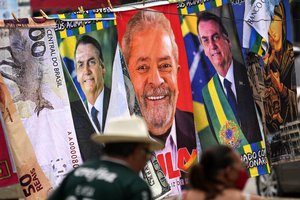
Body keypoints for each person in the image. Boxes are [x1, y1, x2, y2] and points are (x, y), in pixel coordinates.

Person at [121, 10, 197, 195]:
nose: (156, 80)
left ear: (177, 73)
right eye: (143, 67)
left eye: (165, 66)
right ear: (126, 80)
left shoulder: (203, 131)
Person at [47, 116, 164, 200]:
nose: (148, 158)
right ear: (136, 151)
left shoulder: (78, 172)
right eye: (147, 151)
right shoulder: (133, 185)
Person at [197, 11, 262, 148]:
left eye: (215, 37)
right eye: (206, 40)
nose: (212, 46)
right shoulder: (208, 94)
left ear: (228, 41)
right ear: (203, 48)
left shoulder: (250, 74)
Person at [262, 1, 297, 133]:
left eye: (272, 21)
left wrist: (281, 89)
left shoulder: (294, 56)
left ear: (282, 21)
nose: (270, 31)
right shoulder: (265, 62)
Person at [180, 145, 262, 200]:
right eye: (242, 165)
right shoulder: (240, 198)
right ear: (229, 171)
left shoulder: (181, 197)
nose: (244, 171)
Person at [75, 35, 111, 132]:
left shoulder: (120, 102)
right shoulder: (75, 118)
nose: (86, 71)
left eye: (91, 62)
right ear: (77, 75)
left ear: (102, 67)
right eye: (81, 64)